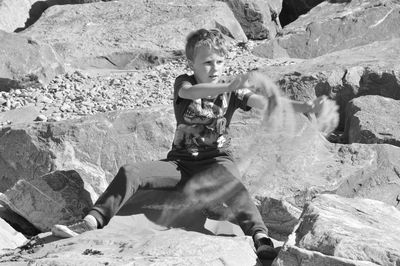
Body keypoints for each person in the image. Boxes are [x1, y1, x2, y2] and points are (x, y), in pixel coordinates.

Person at [52, 28, 337, 260]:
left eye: (219, 62)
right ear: (192, 64)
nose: (215, 68)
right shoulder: (184, 83)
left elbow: (269, 103)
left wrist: (306, 106)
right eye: (207, 62)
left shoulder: (234, 92)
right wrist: (227, 86)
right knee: (131, 171)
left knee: (234, 186)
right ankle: (91, 221)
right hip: (180, 164)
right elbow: (192, 91)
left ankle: (260, 237)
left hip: (216, 163)